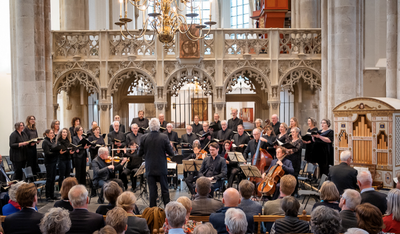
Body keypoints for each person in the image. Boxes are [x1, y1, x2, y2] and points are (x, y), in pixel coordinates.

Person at [138, 118, 175, 207]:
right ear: (159, 126)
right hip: (161, 167)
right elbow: (171, 153)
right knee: (165, 190)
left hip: (150, 167)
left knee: (152, 190)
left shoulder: (143, 137)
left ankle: (152, 211)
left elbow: (139, 154)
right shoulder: (164, 137)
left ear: (149, 127)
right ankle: (167, 209)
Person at [285, 127, 303, 196]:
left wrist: (289, 150)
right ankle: (289, 191)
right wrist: (287, 150)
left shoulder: (299, 141)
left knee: (294, 176)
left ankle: (295, 192)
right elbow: (287, 149)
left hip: (296, 161)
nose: (292, 133)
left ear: (297, 133)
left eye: (293, 132)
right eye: (291, 132)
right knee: (289, 175)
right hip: (289, 159)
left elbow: (296, 149)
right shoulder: (290, 141)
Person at [42, 129, 57, 201]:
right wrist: (56, 153)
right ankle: (48, 196)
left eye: (53, 133)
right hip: (49, 162)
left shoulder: (53, 141)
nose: (52, 134)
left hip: (54, 161)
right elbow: (47, 153)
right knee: (49, 179)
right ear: (47, 134)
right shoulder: (45, 142)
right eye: (51, 133)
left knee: (53, 178)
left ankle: (52, 195)